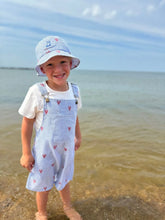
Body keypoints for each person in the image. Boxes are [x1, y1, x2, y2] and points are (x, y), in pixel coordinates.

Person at [18, 36, 82, 220]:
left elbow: (75, 116)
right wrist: (26, 152)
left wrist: (78, 136)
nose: (58, 69)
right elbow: (27, 122)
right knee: (43, 184)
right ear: (42, 69)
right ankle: (42, 212)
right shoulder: (37, 91)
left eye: (63, 62)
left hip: (67, 147)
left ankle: (67, 206)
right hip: (44, 150)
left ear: (70, 63)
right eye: (50, 65)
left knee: (65, 179)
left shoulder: (75, 90)